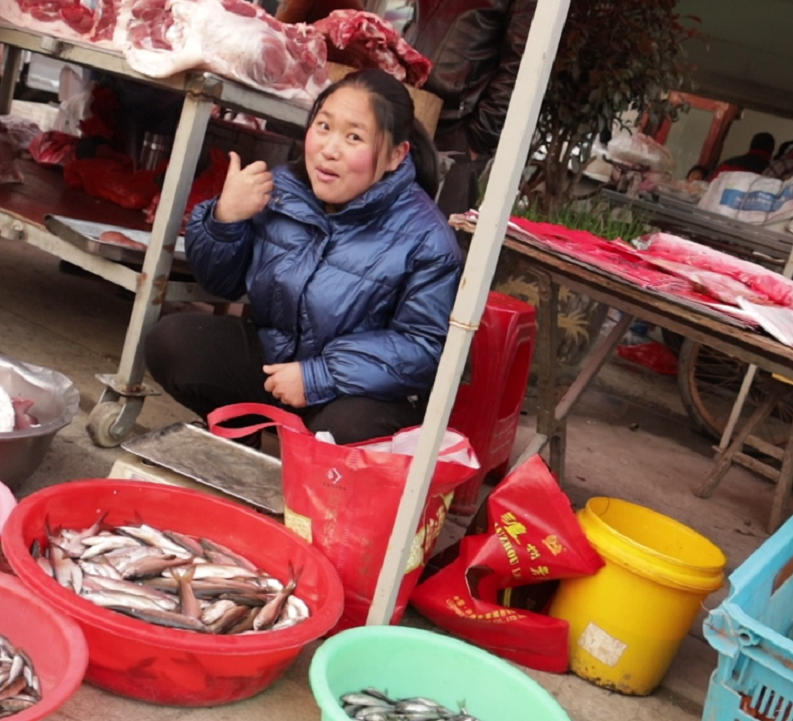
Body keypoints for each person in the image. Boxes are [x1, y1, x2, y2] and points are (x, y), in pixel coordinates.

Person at [144, 69, 464, 445]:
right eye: (324, 126)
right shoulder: (283, 190)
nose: (329, 149)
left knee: (350, 428)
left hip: (354, 393)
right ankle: (241, 440)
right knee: (173, 340)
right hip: (276, 363)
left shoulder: (429, 238)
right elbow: (221, 283)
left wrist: (317, 377)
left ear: (396, 155)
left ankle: (319, 473)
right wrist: (224, 220)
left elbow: (423, 348)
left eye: (354, 137)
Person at [404, 0, 538, 215]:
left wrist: (478, 138)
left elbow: (525, 63)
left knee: (437, 235)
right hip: (412, 108)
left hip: (458, 127)